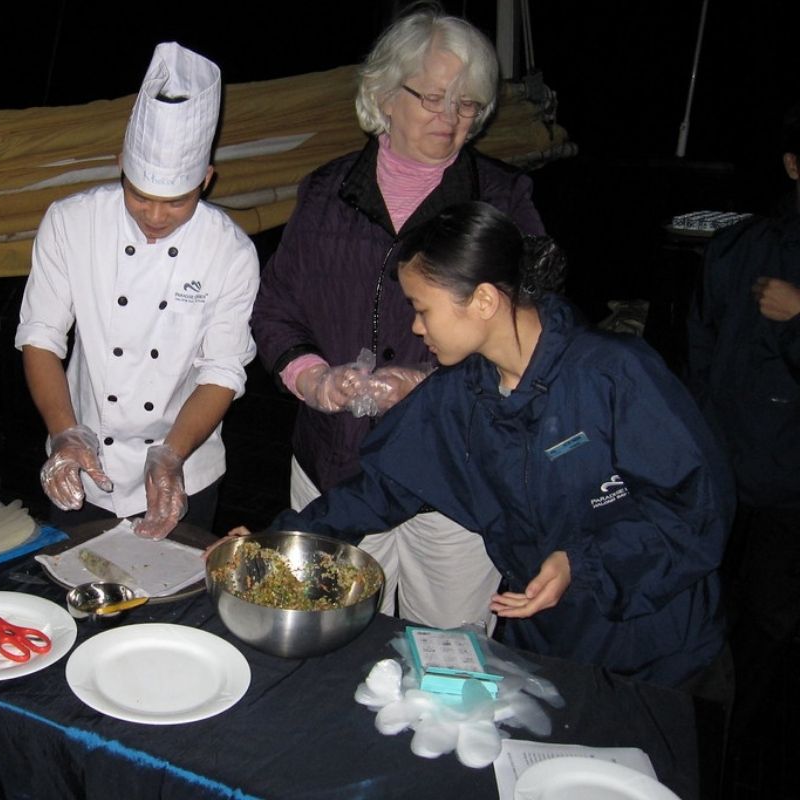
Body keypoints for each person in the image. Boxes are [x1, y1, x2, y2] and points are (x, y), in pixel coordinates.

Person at [271, 202, 731, 688]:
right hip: (548, 641)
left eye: (423, 309)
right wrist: (282, 542)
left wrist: (583, 562)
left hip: (656, 649)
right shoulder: (459, 395)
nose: (416, 328)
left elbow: (697, 510)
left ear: (484, 301)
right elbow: (380, 490)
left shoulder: (613, 375)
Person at [251, 4, 543, 628]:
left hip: (456, 476)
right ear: (382, 95)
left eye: (469, 104)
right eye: (434, 98)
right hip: (334, 464)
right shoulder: (325, 192)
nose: (452, 118)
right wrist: (311, 377)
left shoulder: (505, 199)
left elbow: (533, 338)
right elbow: (276, 308)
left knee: (449, 652)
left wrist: (431, 387)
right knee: (325, 637)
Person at [15, 42, 259, 540]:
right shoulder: (72, 222)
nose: (154, 216)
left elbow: (221, 370)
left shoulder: (229, 250)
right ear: (121, 165)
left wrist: (170, 455)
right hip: (83, 465)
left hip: (184, 467)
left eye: (176, 203)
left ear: (206, 181)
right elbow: (41, 336)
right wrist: (65, 432)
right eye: (139, 196)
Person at [688, 102, 800, 734]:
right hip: (725, 465)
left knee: (771, 614)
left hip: (792, 489)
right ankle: (700, 727)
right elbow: (698, 356)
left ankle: (742, 738)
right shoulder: (737, 247)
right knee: (704, 596)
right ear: (792, 165)